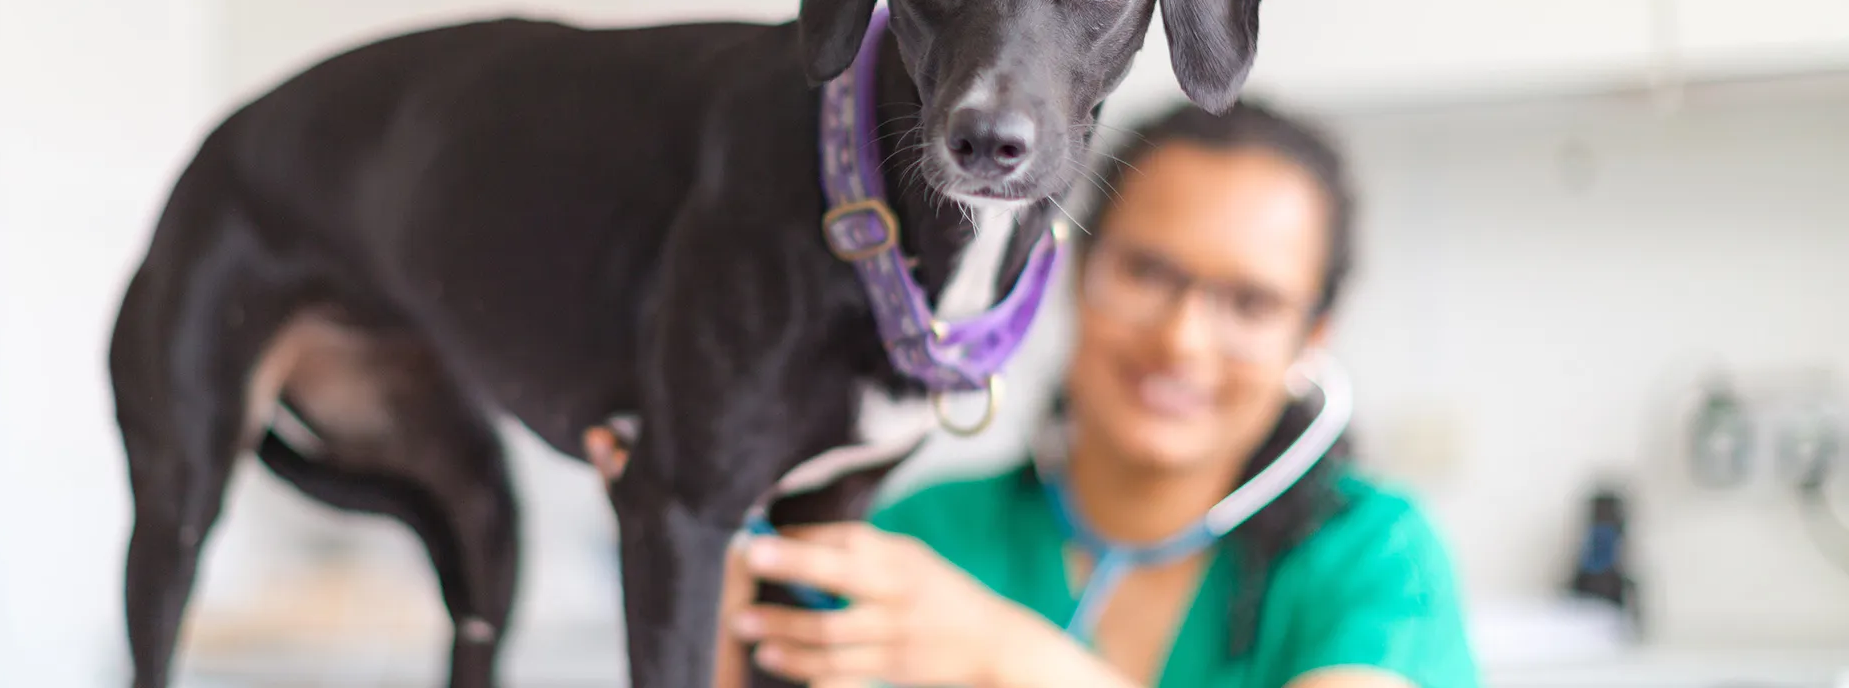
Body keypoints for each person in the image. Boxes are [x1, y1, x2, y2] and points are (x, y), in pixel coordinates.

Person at [586, 101, 1479, 688]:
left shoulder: (1376, 555)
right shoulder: (926, 536)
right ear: (1072, 274)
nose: (1181, 339)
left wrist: (1000, 657)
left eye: (1250, 304)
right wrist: (698, 562)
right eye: (1147, 272)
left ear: (1310, 339)